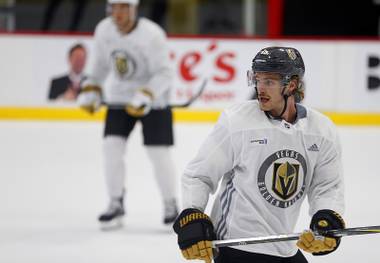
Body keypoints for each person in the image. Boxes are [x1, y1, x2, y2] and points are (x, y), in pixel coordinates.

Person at [173, 47, 345, 263]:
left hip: (284, 247)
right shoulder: (237, 121)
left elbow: (327, 186)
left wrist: (326, 219)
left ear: (291, 84)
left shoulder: (322, 130)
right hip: (236, 247)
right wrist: (192, 216)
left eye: (269, 82)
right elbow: (198, 175)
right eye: (257, 79)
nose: (259, 88)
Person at [77, 0, 178, 228]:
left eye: (124, 7)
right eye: (114, 7)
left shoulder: (152, 34)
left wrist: (146, 95)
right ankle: (115, 203)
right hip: (119, 98)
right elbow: (100, 66)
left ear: (134, 9)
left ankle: (171, 204)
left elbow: (164, 72)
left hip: (155, 101)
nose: (118, 13)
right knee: (111, 147)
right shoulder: (104, 29)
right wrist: (91, 88)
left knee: (158, 153)